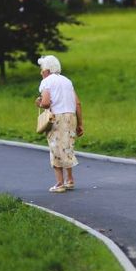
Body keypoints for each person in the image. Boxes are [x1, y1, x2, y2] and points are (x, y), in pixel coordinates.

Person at [34, 55, 84, 193]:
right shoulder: (67, 81)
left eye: (41, 69)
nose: (40, 72)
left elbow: (45, 102)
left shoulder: (46, 82)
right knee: (67, 147)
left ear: (46, 70)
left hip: (57, 118)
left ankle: (59, 183)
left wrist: (38, 102)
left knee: (55, 149)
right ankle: (70, 180)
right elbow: (78, 103)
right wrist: (80, 124)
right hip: (71, 116)